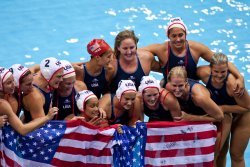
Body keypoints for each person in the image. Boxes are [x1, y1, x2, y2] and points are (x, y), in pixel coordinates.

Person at [142, 17, 244, 96]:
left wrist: (239, 77)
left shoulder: (196, 48)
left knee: (205, 71)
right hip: (170, 88)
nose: (178, 39)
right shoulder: (161, 49)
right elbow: (139, 53)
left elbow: (222, 62)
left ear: (185, 34)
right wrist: (159, 68)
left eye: (180, 35)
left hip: (191, 89)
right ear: (168, 36)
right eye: (174, 36)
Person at [197, 53, 250, 167]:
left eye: (223, 72)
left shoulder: (232, 85)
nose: (219, 75)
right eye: (216, 71)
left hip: (242, 116)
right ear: (210, 69)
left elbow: (247, 107)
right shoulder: (203, 73)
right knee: (218, 153)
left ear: (227, 70)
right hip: (224, 116)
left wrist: (223, 108)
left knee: (236, 155)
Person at [25, 57, 63, 122]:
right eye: (59, 76)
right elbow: (41, 127)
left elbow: (38, 66)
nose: (61, 79)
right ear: (48, 75)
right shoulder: (35, 96)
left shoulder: (42, 73)